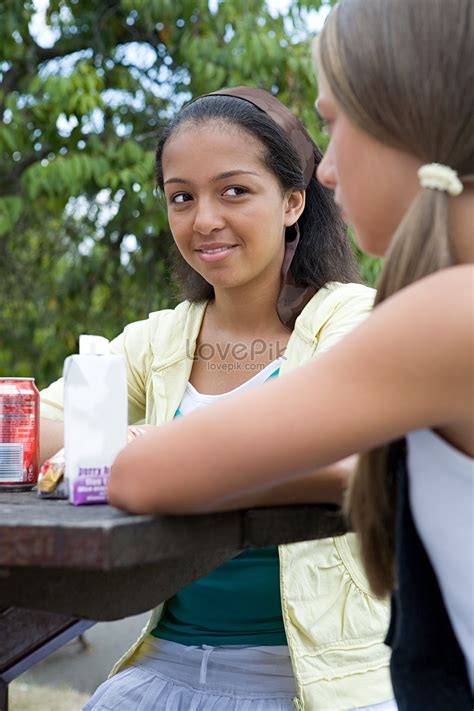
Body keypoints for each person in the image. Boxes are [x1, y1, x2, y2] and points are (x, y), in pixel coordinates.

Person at [105, 1, 474, 709]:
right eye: (180, 196)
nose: (329, 169)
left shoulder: (443, 317)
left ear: (406, 117)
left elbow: (141, 472)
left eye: (335, 125)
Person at [40, 88, 396, 709]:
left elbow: (355, 461)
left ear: (292, 201)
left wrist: (151, 451)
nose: (203, 219)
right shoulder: (160, 339)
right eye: (182, 196)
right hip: (163, 671)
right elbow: (30, 427)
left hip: (313, 684)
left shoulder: (351, 318)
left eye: (233, 190)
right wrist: (138, 449)